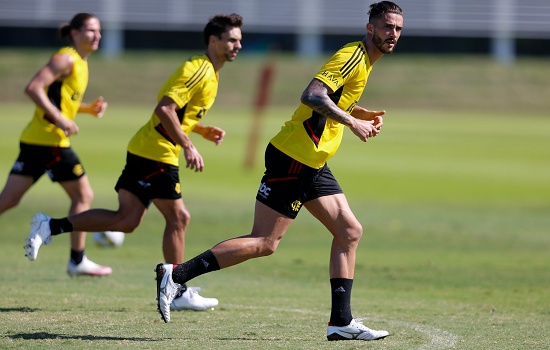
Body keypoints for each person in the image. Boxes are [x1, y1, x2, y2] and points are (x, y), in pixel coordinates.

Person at [154, 1, 404, 341]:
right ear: (370, 28)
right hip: (295, 158)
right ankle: (177, 274)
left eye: (398, 29)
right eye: (387, 26)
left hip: (311, 160)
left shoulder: (364, 62)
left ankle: (340, 323)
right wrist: (352, 124)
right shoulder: (353, 56)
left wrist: (357, 113)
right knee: (265, 242)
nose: (393, 34)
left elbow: (333, 98)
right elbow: (313, 95)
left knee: (349, 231)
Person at [24, 13, 244, 311]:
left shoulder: (211, 73)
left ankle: (50, 226)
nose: (237, 45)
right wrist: (189, 144)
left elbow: (178, 113)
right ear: (213, 40)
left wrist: (201, 129)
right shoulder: (199, 69)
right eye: (231, 40)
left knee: (125, 221)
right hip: (157, 152)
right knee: (179, 218)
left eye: (239, 40)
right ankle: (177, 289)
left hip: (146, 148)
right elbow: (165, 108)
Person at [0, 13, 111, 277]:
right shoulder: (66, 59)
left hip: (35, 140)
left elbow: (62, 100)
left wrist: (85, 110)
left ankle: (78, 260)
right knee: (83, 196)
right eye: (91, 31)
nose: (97, 36)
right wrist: (61, 119)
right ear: (74, 33)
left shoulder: (82, 63)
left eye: (99, 31)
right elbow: (33, 88)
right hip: (51, 142)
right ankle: (77, 259)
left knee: (9, 199)